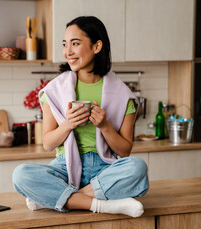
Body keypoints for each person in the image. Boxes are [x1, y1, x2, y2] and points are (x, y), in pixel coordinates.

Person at [13, 16, 149, 217]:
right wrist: (67, 124)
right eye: (65, 44)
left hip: (105, 168)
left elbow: (125, 150)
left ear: (97, 46)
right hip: (64, 167)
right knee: (21, 174)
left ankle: (60, 198)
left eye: (75, 44)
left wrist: (104, 126)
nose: (67, 52)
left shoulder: (123, 94)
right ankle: (103, 205)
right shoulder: (54, 90)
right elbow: (48, 144)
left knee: (138, 167)